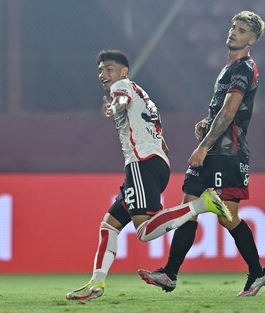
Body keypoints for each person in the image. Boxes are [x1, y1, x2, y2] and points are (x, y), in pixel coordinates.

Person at [66, 50, 232, 302]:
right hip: (153, 162)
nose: (103, 74)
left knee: (143, 231)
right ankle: (96, 283)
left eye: (109, 69)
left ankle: (203, 203)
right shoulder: (142, 93)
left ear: (123, 72)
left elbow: (120, 102)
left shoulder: (121, 87)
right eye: (100, 70)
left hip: (141, 163)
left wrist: (114, 107)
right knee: (109, 225)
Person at [137, 11, 265, 297]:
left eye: (243, 29)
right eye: (234, 26)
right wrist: (206, 124)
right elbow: (221, 111)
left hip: (228, 153)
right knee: (188, 208)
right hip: (214, 150)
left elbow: (230, 111)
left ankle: (258, 272)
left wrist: (204, 145)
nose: (234, 31)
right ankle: (170, 274)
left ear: (253, 39)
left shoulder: (245, 68)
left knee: (227, 217)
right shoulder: (227, 69)